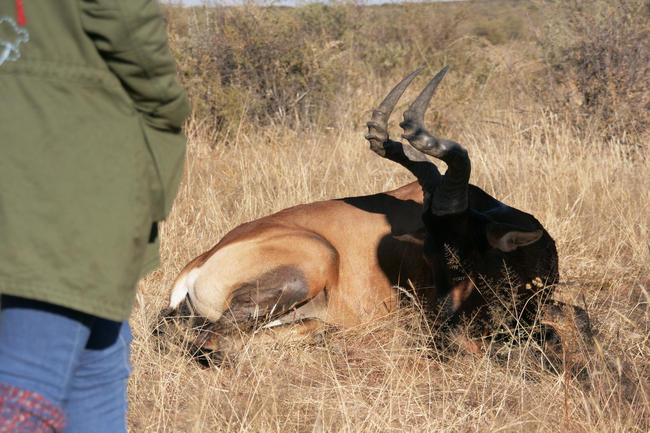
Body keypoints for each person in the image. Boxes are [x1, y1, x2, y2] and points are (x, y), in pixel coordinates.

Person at [0, 0, 189, 431]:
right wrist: (170, 104)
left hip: (41, 152)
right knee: (24, 392)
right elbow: (125, 20)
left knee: (99, 363)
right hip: (61, 164)